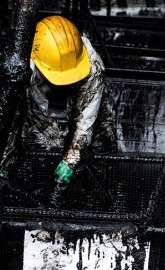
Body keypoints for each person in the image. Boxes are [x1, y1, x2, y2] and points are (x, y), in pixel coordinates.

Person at [7, 15, 112, 188]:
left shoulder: (93, 66)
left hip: (85, 107)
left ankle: (100, 191)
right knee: (34, 150)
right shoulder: (18, 66)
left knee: (101, 148)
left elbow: (84, 128)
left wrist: (63, 176)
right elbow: (8, 121)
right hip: (37, 107)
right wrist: (3, 164)